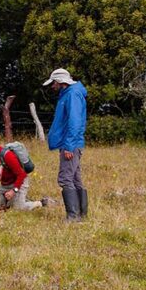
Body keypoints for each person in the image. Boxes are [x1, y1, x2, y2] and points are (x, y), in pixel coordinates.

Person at [44, 68, 88, 221]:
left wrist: (69, 146)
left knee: (65, 179)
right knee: (75, 178)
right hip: (71, 142)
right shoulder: (69, 94)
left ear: (60, 82)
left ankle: (73, 216)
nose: (52, 86)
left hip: (71, 144)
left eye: (53, 83)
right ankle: (81, 215)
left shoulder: (72, 95)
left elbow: (74, 122)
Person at [0, 132, 50, 211]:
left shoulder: (7, 155)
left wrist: (13, 191)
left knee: (18, 207)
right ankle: (16, 200)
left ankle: (42, 203)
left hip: (20, 182)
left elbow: (22, 175)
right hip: (5, 185)